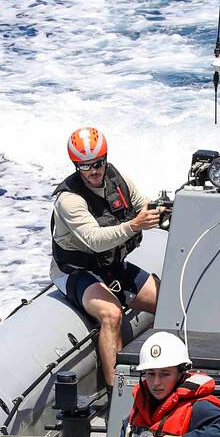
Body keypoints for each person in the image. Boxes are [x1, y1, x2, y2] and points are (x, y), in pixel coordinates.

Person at [50, 126, 162, 404]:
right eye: (85, 166)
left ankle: (165, 369)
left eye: (98, 163)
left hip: (112, 265)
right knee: (111, 314)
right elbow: (95, 239)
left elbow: (141, 205)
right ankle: (118, 396)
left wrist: (160, 212)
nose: (93, 171)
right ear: (76, 165)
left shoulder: (117, 178)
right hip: (77, 271)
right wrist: (134, 225)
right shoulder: (69, 200)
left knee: (166, 300)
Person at [120, 332, 220, 437]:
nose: (156, 382)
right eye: (151, 373)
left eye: (165, 374)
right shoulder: (140, 406)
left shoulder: (196, 407)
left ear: (180, 374)